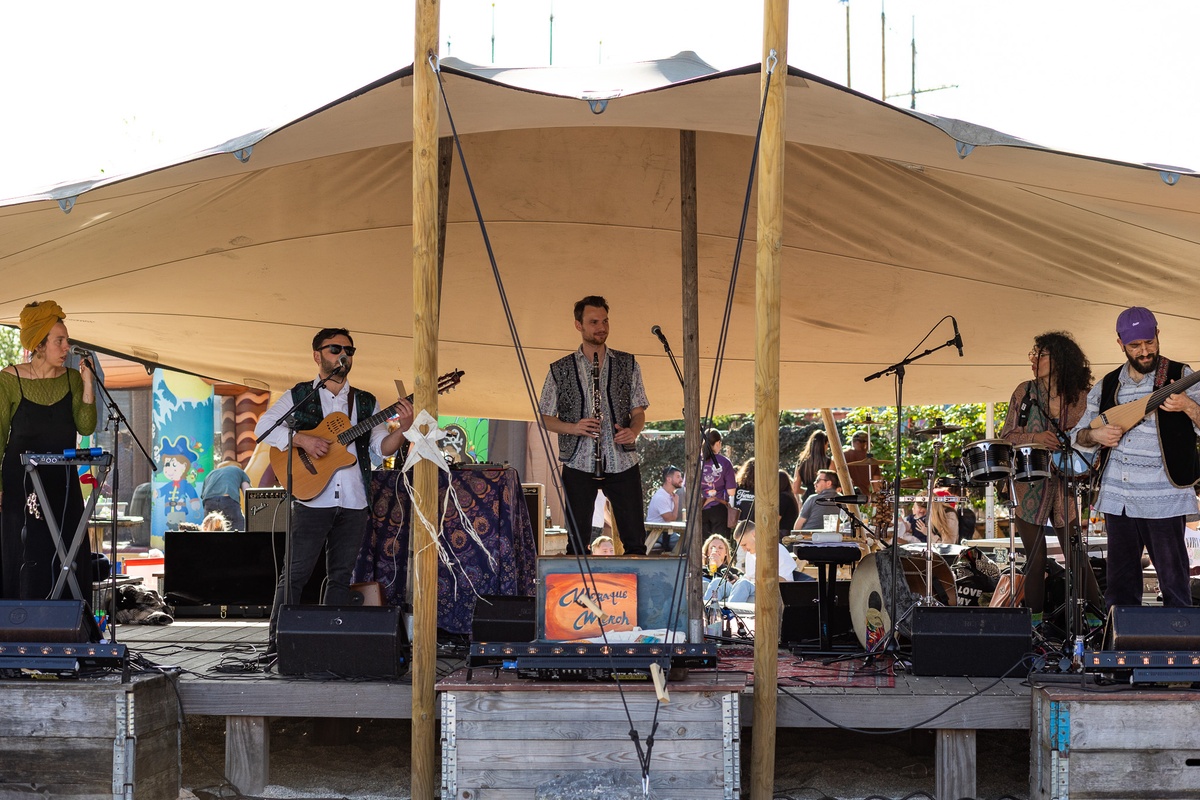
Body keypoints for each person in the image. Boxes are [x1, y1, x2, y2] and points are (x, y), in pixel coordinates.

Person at [255, 327, 413, 649]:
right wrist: (303, 440)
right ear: (317, 355)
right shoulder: (300, 394)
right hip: (312, 499)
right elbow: (263, 427)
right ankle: (278, 643)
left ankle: (329, 642)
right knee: (295, 574)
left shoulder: (366, 401)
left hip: (354, 500)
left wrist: (404, 430)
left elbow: (380, 448)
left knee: (340, 577)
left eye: (349, 350)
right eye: (335, 349)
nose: (343, 355)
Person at [1072, 307, 1200, 609]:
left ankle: (1176, 638)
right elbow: (1078, 435)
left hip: (1164, 497)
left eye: (1149, 342)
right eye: (1135, 345)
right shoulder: (1107, 385)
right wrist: (1096, 435)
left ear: (1158, 335)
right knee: (1120, 589)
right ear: (1120, 344)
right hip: (1119, 497)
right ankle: (1120, 640)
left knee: (1174, 585)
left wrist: (1188, 406)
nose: (1144, 351)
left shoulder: (1182, 376)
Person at [1000, 331, 1104, 624]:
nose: (1033, 360)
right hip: (1027, 484)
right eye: (1033, 354)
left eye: (1040, 354)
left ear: (1059, 359)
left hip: (1066, 485)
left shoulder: (1082, 397)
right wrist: (1035, 437)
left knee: (1076, 556)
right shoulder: (1024, 392)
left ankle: (1098, 623)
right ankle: (1034, 628)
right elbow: (1006, 436)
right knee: (1035, 559)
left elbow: (1094, 438)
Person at [0, 301, 97, 602]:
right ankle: (19, 618)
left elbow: (86, 426)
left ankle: (69, 619)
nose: (67, 347)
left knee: (67, 547)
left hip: (62, 482)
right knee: (26, 549)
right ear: (39, 345)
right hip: (21, 482)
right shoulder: (9, 379)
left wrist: (88, 384)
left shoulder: (71, 379)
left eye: (66, 340)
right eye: (59, 340)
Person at [538, 296, 649, 555]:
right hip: (579, 460)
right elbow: (544, 416)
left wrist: (633, 431)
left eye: (605, 321)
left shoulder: (628, 364)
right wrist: (574, 427)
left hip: (622, 460)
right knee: (577, 544)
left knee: (635, 540)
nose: (602, 327)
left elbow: (638, 411)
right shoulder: (560, 369)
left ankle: (636, 580)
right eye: (594, 322)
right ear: (578, 325)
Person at [703, 522, 794, 604]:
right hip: (750, 589)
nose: (743, 549)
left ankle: (731, 614)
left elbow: (786, 583)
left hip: (769, 593)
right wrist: (737, 579)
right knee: (717, 582)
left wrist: (765, 575)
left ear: (754, 535)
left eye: (744, 545)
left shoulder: (776, 550)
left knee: (743, 584)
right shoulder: (750, 553)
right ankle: (705, 613)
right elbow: (748, 577)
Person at [733, 458, 800, 535]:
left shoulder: (738, 487)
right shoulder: (766, 491)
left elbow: (775, 519)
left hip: (741, 525)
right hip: (757, 528)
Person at [700, 430, 737, 537]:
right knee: (720, 542)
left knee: (703, 544)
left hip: (700, 508)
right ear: (717, 443)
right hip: (719, 508)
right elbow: (731, 492)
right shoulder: (725, 462)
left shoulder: (695, 462)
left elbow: (687, 488)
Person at [201, 455, 252, 530]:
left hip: (209, 500)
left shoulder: (211, 473)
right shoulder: (239, 471)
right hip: (228, 498)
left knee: (210, 528)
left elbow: (203, 495)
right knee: (238, 525)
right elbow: (248, 493)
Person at [645, 464, 683, 552]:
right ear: (669, 479)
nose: (681, 480)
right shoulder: (661, 497)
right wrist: (676, 503)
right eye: (678, 477)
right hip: (657, 534)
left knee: (688, 541)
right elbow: (670, 518)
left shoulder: (670, 495)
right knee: (686, 545)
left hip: (666, 532)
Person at [792, 429, 831, 500]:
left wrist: (808, 492)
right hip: (825, 500)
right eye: (827, 444)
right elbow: (833, 486)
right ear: (824, 445)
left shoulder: (801, 462)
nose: (827, 447)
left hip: (808, 500)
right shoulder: (830, 462)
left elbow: (795, 489)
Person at [842, 431, 880, 495]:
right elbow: (876, 487)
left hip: (844, 496)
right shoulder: (872, 462)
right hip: (864, 497)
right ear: (866, 444)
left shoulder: (842, 456)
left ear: (853, 442)